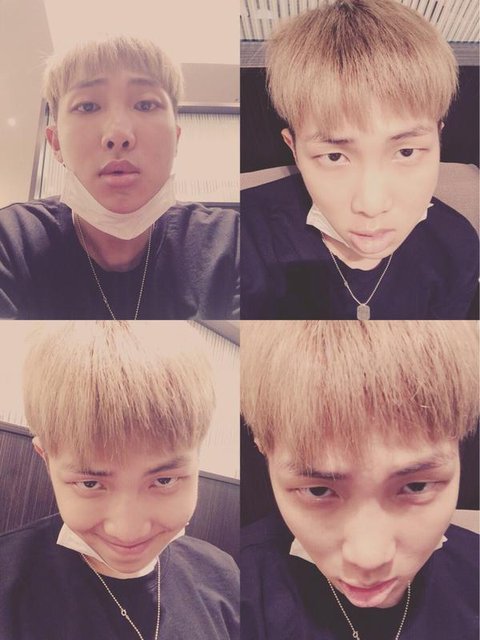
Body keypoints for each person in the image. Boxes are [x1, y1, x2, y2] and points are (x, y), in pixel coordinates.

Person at [0, 321, 239, 640]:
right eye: (90, 484)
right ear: (46, 458)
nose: (128, 531)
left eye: (164, 480)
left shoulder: (226, 578)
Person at [240, 320, 479, 639]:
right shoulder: (238, 590)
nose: (369, 559)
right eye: (318, 490)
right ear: (263, 449)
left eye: (416, 486)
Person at [241, 0, 478, 320]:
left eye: (406, 152)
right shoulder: (241, 239)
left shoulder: (457, 246)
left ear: (438, 138)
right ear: (293, 149)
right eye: (334, 156)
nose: (372, 205)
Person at [0, 36, 239, 319]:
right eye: (88, 106)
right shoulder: (11, 242)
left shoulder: (233, 243)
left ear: (175, 138)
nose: (118, 135)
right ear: (56, 143)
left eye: (145, 105)